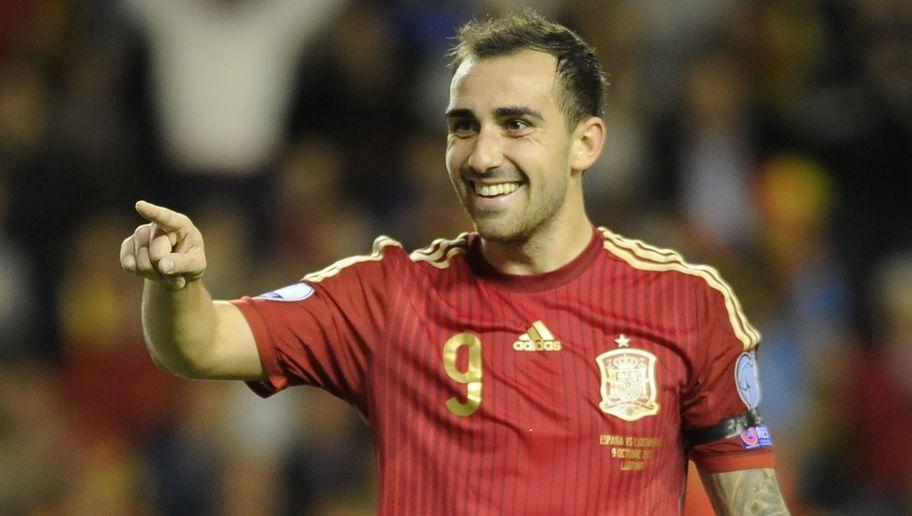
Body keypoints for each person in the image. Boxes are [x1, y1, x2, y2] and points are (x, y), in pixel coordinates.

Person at [120, 11, 789, 515]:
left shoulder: (687, 304)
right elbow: (200, 344)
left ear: (586, 144)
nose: (481, 154)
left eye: (516, 124)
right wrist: (176, 286)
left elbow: (755, 504)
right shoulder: (386, 297)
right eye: (463, 126)